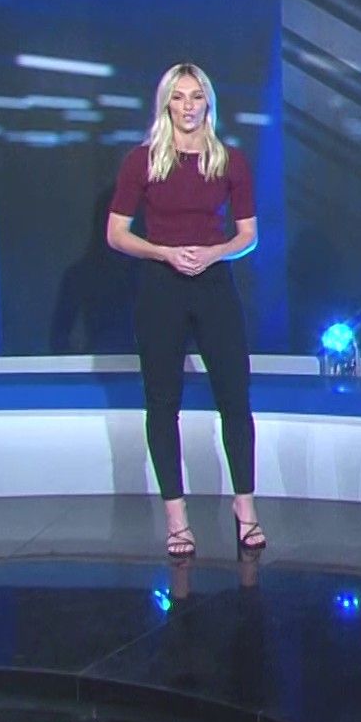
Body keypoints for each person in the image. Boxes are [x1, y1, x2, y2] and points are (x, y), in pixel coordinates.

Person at [106, 62, 264, 559]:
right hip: (161, 288)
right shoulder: (142, 161)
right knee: (162, 404)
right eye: (179, 96)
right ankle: (176, 518)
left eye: (196, 96)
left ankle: (245, 508)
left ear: (208, 103)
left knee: (235, 399)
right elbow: (116, 234)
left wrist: (214, 253)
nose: (188, 106)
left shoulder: (230, 161)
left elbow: (247, 235)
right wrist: (163, 253)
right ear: (166, 104)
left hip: (214, 285)